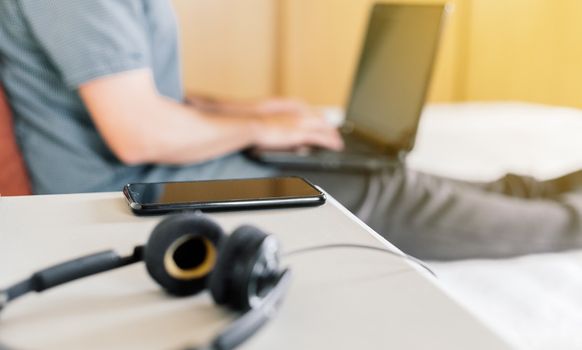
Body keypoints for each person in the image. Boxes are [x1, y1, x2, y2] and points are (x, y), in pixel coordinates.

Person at [1, 0, 582, 260]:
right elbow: (139, 132)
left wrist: (255, 111)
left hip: (150, 163)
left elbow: (146, 94)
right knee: (372, 191)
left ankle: (532, 191)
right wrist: (259, 125)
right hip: (122, 186)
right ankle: (566, 222)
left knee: (363, 161)